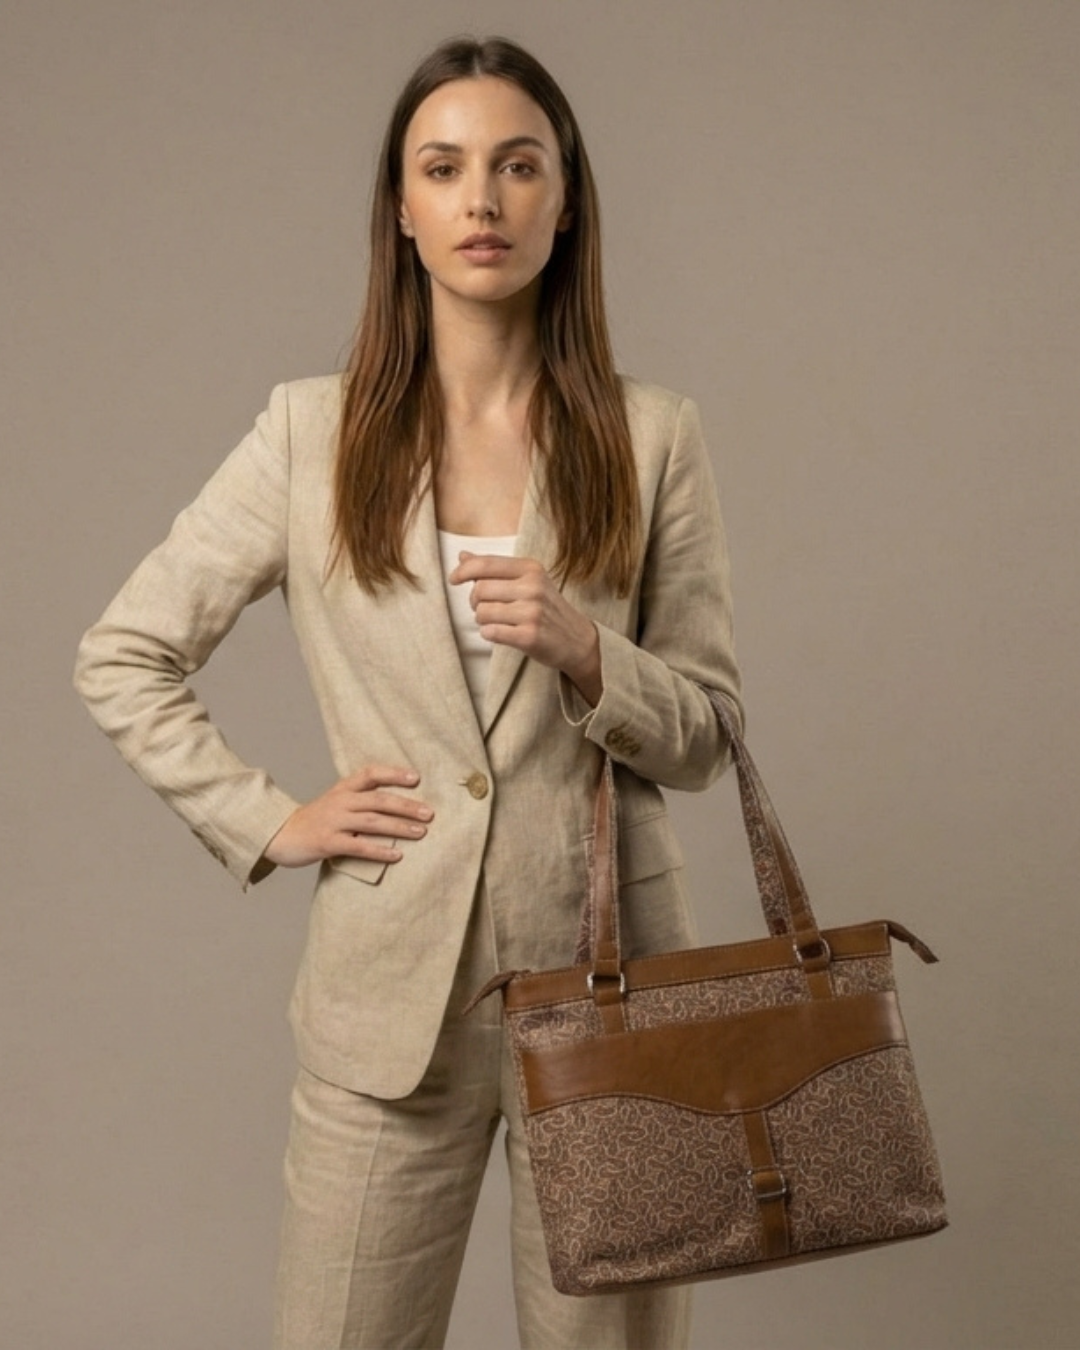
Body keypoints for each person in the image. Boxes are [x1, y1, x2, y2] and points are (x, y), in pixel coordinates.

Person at [74, 34, 742, 1350]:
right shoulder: (309, 435)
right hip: (388, 1019)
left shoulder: (652, 434)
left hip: (614, 1003)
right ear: (404, 207)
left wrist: (587, 649)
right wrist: (270, 819)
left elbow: (711, 726)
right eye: (444, 168)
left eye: (516, 166)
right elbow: (124, 651)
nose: (481, 200)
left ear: (566, 198)